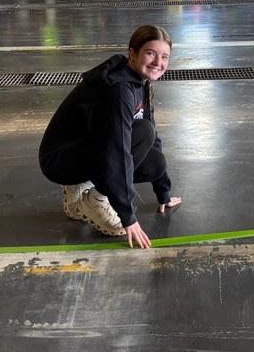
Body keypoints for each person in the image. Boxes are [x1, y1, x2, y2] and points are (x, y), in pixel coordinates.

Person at [39, 25, 182, 249]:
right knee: (142, 132)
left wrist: (163, 191)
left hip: (84, 146)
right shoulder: (120, 91)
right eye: (151, 53)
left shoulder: (140, 81)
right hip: (61, 159)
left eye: (164, 56)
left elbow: (151, 137)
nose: (158, 62)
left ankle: (83, 184)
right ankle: (93, 200)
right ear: (132, 53)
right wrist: (128, 216)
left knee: (154, 162)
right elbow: (118, 151)